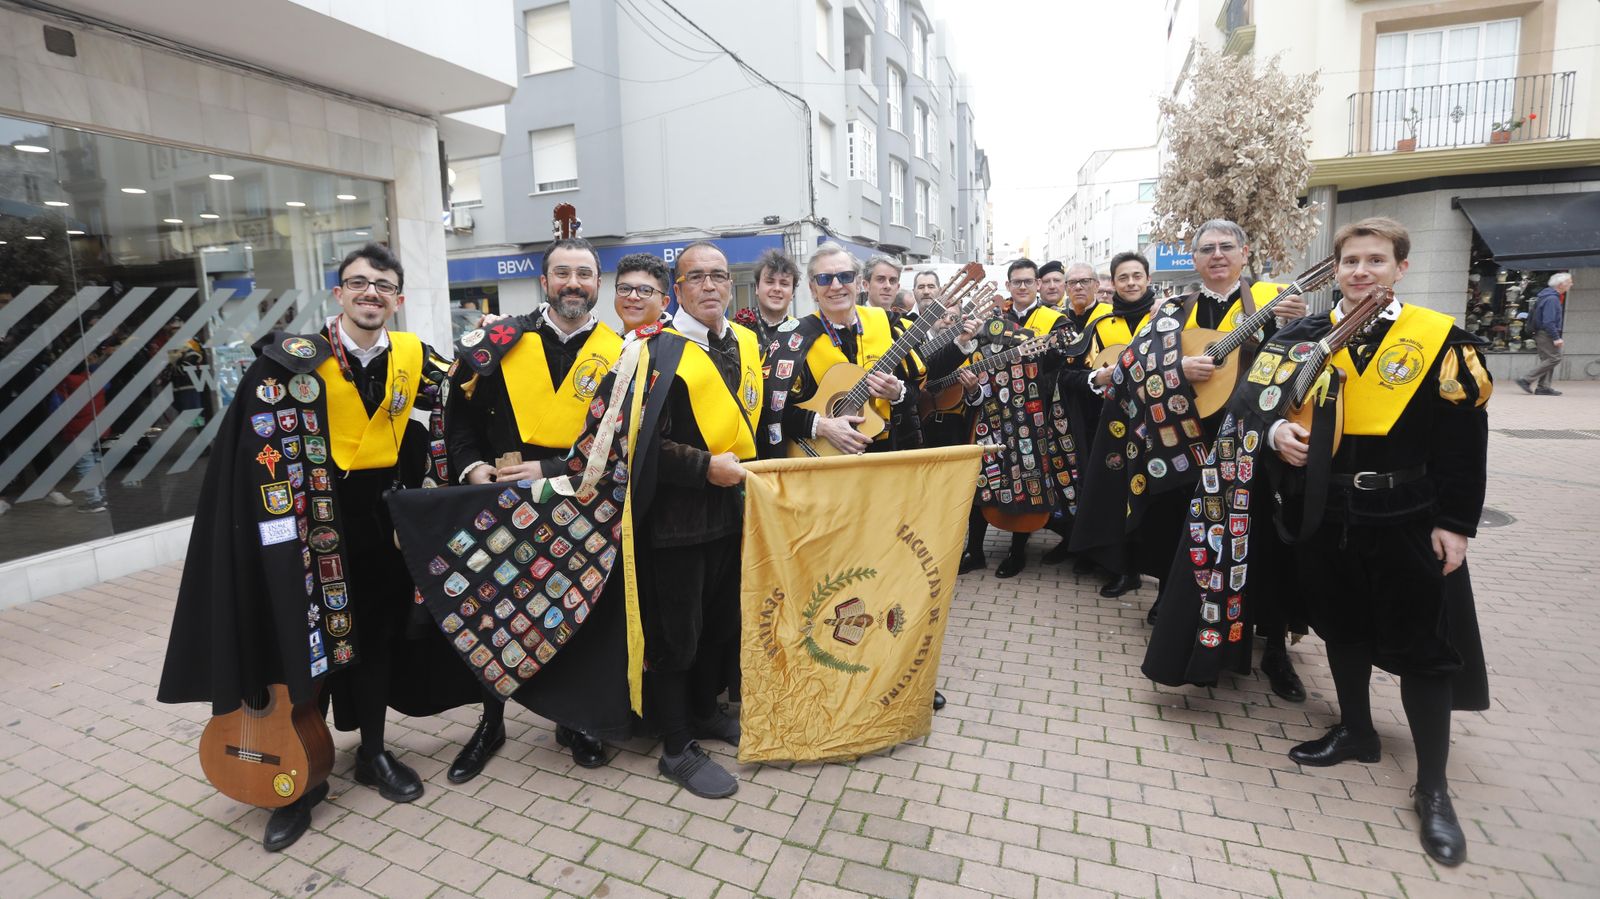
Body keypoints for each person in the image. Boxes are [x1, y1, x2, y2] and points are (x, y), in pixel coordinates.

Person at [159, 242, 451, 852]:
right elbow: (249, 447)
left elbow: (460, 407)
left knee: (374, 640)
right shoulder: (292, 362)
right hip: (303, 528)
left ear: (398, 298)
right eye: (359, 283)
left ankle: (372, 752)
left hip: (378, 528)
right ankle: (296, 780)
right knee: (301, 645)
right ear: (339, 292)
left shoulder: (413, 358)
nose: (371, 293)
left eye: (384, 285)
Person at [1268, 217, 1491, 867]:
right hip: (1327, 509)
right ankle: (1357, 732)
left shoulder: (1439, 339)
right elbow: (1261, 409)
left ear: (1401, 267)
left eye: (1375, 259)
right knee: (1343, 627)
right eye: (1349, 260)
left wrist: (1457, 522)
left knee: (1423, 649)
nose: (1360, 270)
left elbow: (1463, 439)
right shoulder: (1303, 336)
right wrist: (1277, 433)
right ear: (1334, 268)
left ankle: (1434, 786)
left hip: (1407, 513)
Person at [571, 241, 761, 797]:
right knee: (676, 637)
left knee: (718, 626)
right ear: (675, 290)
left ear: (730, 285)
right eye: (695, 277)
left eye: (718, 276)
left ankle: (705, 712)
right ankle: (676, 744)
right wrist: (705, 468)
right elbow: (639, 446)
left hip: (730, 516)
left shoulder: (741, 344)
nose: (709, 285)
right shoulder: (648, 351)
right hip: (674, 523)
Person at [442, 237, 626, 780]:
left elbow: (621, 441)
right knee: (496, 612)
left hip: (584, 504)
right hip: (502, 498)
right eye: (562, 273)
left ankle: (574, 720)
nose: (574, 283)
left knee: (579, 612)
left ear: (598, 285)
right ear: (543, 282)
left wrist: (552, 472)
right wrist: (472, 469)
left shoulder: (620, 351)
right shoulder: (498, 342)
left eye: (585, 274)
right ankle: (490, 722)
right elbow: (458, 421)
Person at [759, 244, 949, 710]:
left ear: (860, 281)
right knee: (828, 575)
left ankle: (888, 671)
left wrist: (899, 390)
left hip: (881, 468)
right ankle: (825, 673)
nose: (836, 286)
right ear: (811, 288)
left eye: (844, 276)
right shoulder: (792, 338)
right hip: (823, 475)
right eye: (825, 279)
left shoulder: (884, 324)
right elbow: (767, 409)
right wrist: (822, 425)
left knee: (886, 569)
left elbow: (914, 388)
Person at [963, 257, 1077, 579]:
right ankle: (974, 551)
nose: (1023, 286)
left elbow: (1061, 367)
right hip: (994, 413)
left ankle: (1016, 552)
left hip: (1034, 415)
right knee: (983, 478)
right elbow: (978, 364)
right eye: (1017, 282)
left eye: (1029, 281)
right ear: (1009, 285)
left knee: (1026, 481)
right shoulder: (993, 321)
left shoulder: (1056, 322)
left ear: (1039, 284)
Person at [1516, 272, 1569, 396]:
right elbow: (1548, 321)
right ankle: (1526, 379)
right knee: (1554, 358)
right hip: (1545, 333)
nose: (1571, 284)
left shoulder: (1549, 296)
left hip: (1543, 332)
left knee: (1548, 359)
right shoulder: (1552, 299)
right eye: (1568, 282)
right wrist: (1556, 337)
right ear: (1561, 284)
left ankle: (1543, 387)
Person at [751, 248, 799, 349]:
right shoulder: (737, 331)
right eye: (769, 282)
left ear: (793, 292)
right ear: (757, 287)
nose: (777, 289)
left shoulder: (802, 333)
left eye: (784, 283)